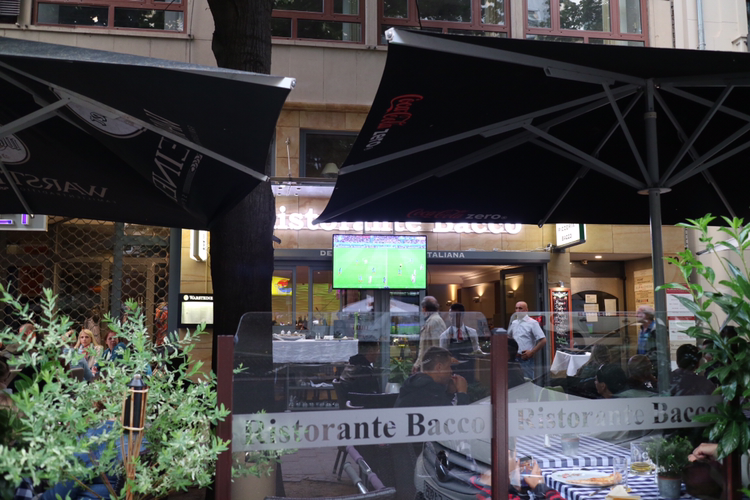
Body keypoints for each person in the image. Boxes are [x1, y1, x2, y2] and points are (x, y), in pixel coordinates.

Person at [395, 346, 468, 407]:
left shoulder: (415, 383)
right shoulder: (430, 389)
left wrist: (449, 392)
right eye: (449, 367)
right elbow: (454, 417)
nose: (451, 371)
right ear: (439, 367)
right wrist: (462, 392)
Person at [439, 303, 480, 383]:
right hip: (453, 372)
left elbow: (476, 350)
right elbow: (442, 355)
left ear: (462, 316)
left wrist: (478, 353)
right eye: (451, 316)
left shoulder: (472, 332)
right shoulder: (445, 335)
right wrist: (449, 358)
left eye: (455, 316)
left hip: (470, 370)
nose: (452, 319)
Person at [507, 301, 546, 380]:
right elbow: (508, 337)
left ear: (526, 310)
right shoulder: (514, 323)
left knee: (527, 381)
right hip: (514, 358)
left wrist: (532, 352)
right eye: (516, 308)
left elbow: (543, 340)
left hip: (525, 358)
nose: (518, 310)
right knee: (514, 382)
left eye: (520, 308)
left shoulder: (532, 323)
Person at [413, 296, 446, 372]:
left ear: (424, 309)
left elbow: (437, 347)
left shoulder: (435, 321)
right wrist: (418, 364)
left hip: (433, 368)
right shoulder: (432, 320)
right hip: (429, 366)